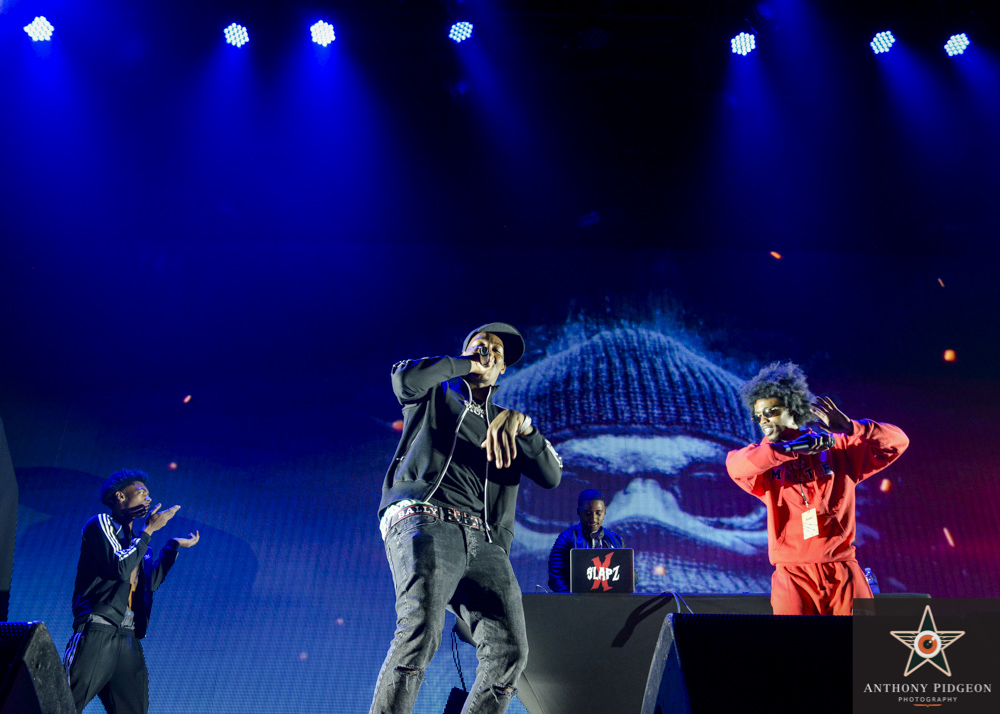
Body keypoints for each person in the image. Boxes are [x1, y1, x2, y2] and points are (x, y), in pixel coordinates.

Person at [370, 322, 562, 714]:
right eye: (481, 345)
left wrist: (523, 425)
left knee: (509, 653)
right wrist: (464, 365)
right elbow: (404, 379)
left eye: (497, 351)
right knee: (421, 631)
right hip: (426, 516)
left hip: (484, 542)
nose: (489, 351)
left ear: (505, 368)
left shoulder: (507, 423)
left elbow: (551, 475)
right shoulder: (437, 393)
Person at [726, 362, 908, 615]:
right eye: (758, 416)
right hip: (793, 575)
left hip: (842, 569)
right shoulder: (762, 459)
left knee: (859, 652)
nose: (764, 420)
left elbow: (898, 442)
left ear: (793, 408)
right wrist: (786, 450)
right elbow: (737, 467)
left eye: (771, 411)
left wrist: (852, 428)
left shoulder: (836, 448)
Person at [63, 469, 200, 714]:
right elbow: (120, 567)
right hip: (99, 627)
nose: (148, 499)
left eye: (149, 495)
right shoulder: (102, 524)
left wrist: (172, 547)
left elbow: (150, 584)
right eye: (141, 493)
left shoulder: (137, 542)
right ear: (120, 496)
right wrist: (148, 532)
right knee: (63, 704)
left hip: (128, 634)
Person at [547, 488, 625, 592]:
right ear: (579, 512)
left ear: (605, 512)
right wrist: (572, 600)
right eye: (588, 513)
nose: (593, 518)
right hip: (575, 604)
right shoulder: (565, 539)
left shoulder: (617, 540)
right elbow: (556, 576)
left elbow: (627, 575)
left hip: (609, 603)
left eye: (598, 513)